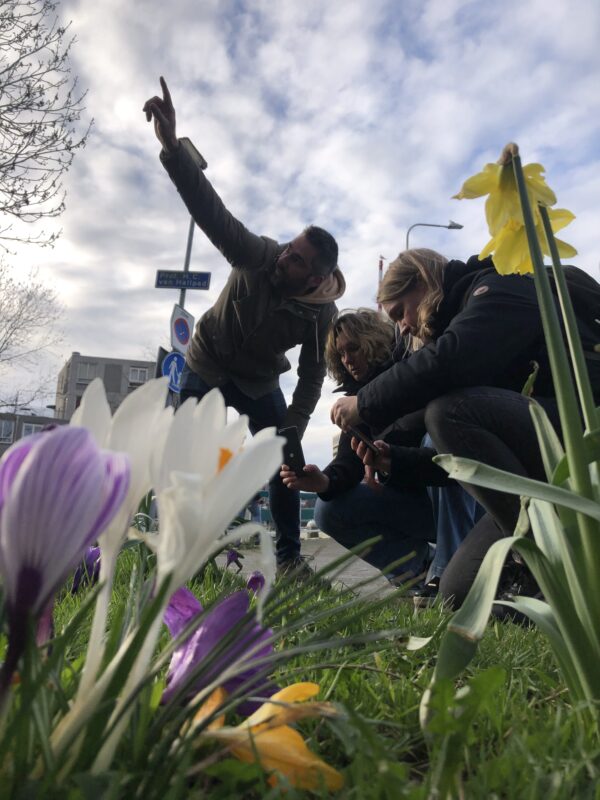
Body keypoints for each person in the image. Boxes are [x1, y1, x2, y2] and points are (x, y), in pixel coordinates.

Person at [144, 77, 345, 576]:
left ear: (315, 277)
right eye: (288, 250)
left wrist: (294, 426)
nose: (284, 259)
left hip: (258, 382)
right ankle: (175, 553)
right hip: (206, 361)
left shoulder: (322, 312)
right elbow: (214, 216)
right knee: (187, 456)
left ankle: (291, 559)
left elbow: (313, 375)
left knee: (284, 457)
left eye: (296, 260)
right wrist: (174, 149)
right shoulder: (260, 256)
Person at [333, 248, 600, 608]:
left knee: (449, 412)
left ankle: (542, 560)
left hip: (584, 437)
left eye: (400, 312)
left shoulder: (501, 286)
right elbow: (461, 467)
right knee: (455, 596)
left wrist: (364, 402)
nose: (403, 327)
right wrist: (394, 460)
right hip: (539, 473)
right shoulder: (456, 333)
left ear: (424, 281)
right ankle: (544, 585)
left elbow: (453, 357)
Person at [282, 308, 479, 587]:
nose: (347, 359)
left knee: (437, 436)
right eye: (340, 354)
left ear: (373, 340)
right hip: (417, 505)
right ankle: (418, 571)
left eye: (354, 348)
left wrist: (389, 456)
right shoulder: (355, 401)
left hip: (463, 499)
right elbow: (350, 461)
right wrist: (323, 481)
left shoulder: (413, 371)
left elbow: (435, 428)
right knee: (328, 512)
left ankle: (450, 576)